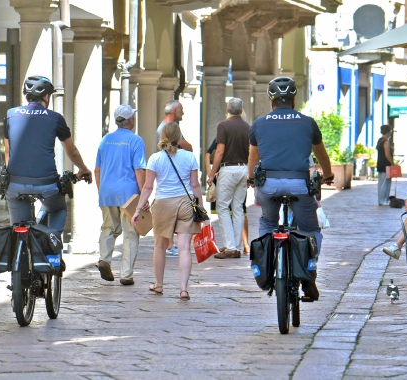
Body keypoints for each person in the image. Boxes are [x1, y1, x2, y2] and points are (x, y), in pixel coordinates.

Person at [248, 76, 334, 301]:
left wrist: (250, 178)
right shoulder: (307, 123)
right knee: (310, 229)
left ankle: (266, 266)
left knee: (268, 221)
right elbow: (321, 154)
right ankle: (308, 273)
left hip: (268, 183)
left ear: (271, 100)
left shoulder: (259, 123)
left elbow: (252, 157)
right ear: (294, 99)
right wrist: (329, 173)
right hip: (299, 184)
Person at [3, 75, 92, 254]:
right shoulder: (55, 118)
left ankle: (19, 270)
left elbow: (7, 151)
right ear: (46, 97)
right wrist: (83, 169)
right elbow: (71, 151)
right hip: (46, 184)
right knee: (58, 209)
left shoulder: (11, 115)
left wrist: (12, 175)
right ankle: (51, 251)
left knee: (18, 227)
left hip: (15, 184)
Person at [131, 122, 202, 300]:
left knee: (160, 246)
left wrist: (138, 209)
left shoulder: (155, 158)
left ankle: (159, 285)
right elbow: (195, 185)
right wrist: (201, 207)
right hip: (186, 203)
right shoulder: (190, 157)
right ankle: (184, 289)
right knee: (185, 248)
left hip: (163, 204)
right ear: (179, 137)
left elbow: (148, 187)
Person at [94, 105, 146, 285]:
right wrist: (144, 195)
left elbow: (97, 170)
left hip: (107, 191)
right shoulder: (136, 141)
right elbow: (139, 170)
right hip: (128, 193)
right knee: (130, 232)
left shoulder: (105, 140)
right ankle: (126, 274)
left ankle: (104, 260)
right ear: (131, 120)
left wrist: (101, 191)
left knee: (109, 227)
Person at [207, 98, 250, 259]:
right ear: (241, 110)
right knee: (238, 208)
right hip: (243, 168)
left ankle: (230, 246)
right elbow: (252, 151)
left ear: (227, 109)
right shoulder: (248, 127)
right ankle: (237, 246)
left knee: (223, 207)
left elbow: (219, 151)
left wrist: (212, 173)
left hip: (228, 168)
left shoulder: (223, 125)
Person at [156, 100, 193, 257]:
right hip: (172, 181)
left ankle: (171, 246)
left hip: (167, 183)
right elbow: (188, 147)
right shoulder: (168, 128)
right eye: (181, 110)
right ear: (174, 111)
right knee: (172, 218)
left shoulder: (165, 127)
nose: (183, 113)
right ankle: (171, 246)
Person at [376, 124, 395, 206]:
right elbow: (387, 155)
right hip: (385, 165)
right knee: (385, 183)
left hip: (380, 164)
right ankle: (384, 200)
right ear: (388, 132)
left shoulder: (380, 140)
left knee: (381, 183)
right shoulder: (386, 142)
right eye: (390, 131)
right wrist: (393, 163)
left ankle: (381, 200)